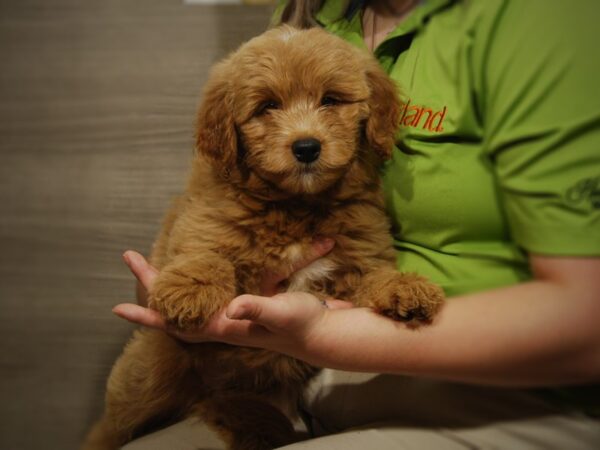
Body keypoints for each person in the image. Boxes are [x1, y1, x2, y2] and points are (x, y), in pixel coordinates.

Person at [114, 0, 600, 448]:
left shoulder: (540, 22)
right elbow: (207, 207)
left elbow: (588, 323)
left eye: (331, 102)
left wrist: (324, 333)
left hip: (490, 394)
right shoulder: (309, 12)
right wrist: (178, 286)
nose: (304, 129)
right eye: (269, 108)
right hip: (302, 382)